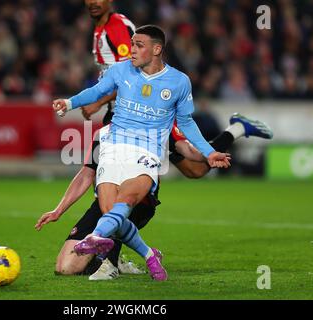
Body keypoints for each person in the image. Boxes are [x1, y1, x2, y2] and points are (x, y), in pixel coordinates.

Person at [53, 25, 232, 281]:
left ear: (156, 49)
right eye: (131, 44)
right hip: (114, 149)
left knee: (122, 205)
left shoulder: (179, 82)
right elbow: (96, 92)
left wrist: (209, 151)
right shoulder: (121, 70)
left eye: (138, 45)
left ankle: (98, 245)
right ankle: (147, 254)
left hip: (145, 155)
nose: (131, 49)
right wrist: (69, 103)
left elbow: (187, 123)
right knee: (109, 213)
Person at [35, 113, 273, 280]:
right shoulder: (105, 127)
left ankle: (111, 261)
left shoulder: (156, 117)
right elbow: (87, 173)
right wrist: (58, 210)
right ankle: (115, 256)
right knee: (65, 267)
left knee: (197, 168)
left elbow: (191, 151)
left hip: (138, 198)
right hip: (107, 192)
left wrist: (211, 154)